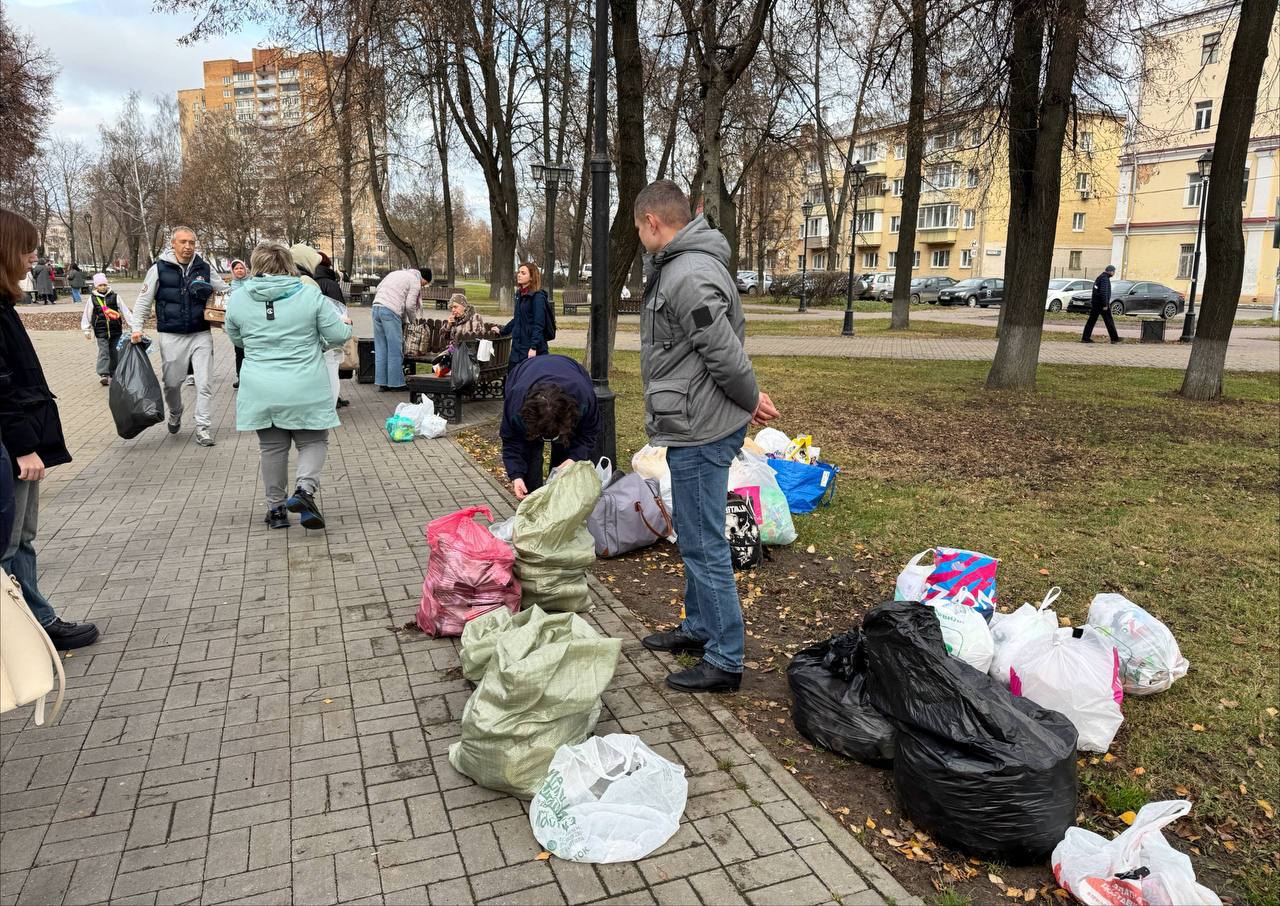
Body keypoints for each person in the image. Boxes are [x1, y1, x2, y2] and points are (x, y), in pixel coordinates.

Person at [631, 180, 779, 694]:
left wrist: (749, 397)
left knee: (702, 542)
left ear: (652, 222)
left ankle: (725, 657)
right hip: (693, 418)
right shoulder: (682, 266)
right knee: (695, 537)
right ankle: (699, 625)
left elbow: (722, 351)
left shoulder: (688, 274)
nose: (639, 236)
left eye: (638, 227)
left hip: (701, 426)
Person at [0, 208, 100, 650]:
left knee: (21, 538)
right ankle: (23, 633)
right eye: (27, 249)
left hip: (19, 438)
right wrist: (24, 447)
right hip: (10, 446)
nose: (33, 258)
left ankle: (35, 621)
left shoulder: (3, 304)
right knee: (9, 541)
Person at [224, 241, 352, 531]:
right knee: (313, 441)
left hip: (260, 386)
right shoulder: (309, 294)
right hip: (304, 384)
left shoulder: (240, 299)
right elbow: (336, 335)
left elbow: (236, 337)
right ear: (289, 265)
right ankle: (304, 491)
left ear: (256, 266)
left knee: (271, 448)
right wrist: (344, 324)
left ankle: (277, 510)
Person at [128, 226, 230, 446]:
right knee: (172, 383)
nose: (188, 247)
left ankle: (203, 428)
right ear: (173, 244)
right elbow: (144, 301)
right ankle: (176, 411)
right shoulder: (159, 268)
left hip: (201, 333)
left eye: (192, 242)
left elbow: (224, 290)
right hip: (171, 335)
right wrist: (137, 327)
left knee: (204, 383)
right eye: (183, 242)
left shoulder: (203, 267)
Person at [499, 354, 600, 499]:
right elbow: (511, 440)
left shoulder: (583, 397)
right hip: (524, 372)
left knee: (564, 468)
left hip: (571, 370)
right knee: (529, 462)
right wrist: (517, 476)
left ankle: (559, 506)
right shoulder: (516, 405)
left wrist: (574, 458)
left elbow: (589, 433)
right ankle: (532, 505)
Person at [290, 243, 352, 408]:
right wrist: (345, 326)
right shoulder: (307, 283)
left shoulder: (284, 281)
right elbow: (334, 329)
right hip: (310, 350)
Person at [370, 265, 431, 392]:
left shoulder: (396, 273)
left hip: (376, 308)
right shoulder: (415, 281)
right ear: (423, 279)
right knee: (395, 348)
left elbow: (379, 288)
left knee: (381, 348)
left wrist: (402, 319)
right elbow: (409, 305)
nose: (423, 287)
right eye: (424, 284)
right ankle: (396, 383)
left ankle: (382, 383)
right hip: (390, 311)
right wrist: (414, 322)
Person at [80, 272, 131, 385]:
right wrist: (86, 329)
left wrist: (133, 324)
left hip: (115, 329)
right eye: (100, 285)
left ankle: (114, 373)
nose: (102, 287)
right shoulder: (92, 299)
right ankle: (104, 373)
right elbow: (87, 314)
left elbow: (125, 310)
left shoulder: (115, 296)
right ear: (96, 286)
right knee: (104, 352)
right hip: (100, 330)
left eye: (104, 285)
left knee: (114, 352)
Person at [500, 262, 548, 369]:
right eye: (519, 272)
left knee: (530, 380)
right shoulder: (520, 294)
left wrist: (533, 347)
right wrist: (502, 330)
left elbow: (539, 324)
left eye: (523, 273)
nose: (519, 274)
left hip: (531, 348)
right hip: (517, 347)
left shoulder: (538, 297)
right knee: (513, 376)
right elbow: (517, 319)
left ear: (531, 277)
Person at [1082, 264, 1122, 344]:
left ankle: (1085, 338)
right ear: (1110, 271)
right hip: (1101, 304)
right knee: (1109, 322)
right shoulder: (1105, 279)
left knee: (1091, 321)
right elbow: (1104, 292)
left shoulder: (1100, 277)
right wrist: (1105, 305)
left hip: (1096, 303)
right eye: (1113, 271)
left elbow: (1096, 290)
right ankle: (1115, 339)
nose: (1114, 273)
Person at [228, 259, 248, 388]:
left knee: (250, 352)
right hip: (237, 324)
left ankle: (251, 378)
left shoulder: (251, 283)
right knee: (239, 351)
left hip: (250, 322)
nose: (239, 270)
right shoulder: (230, 286)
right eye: (236, 268)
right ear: (233, 271)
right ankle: (240, 377)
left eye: (241, 268)